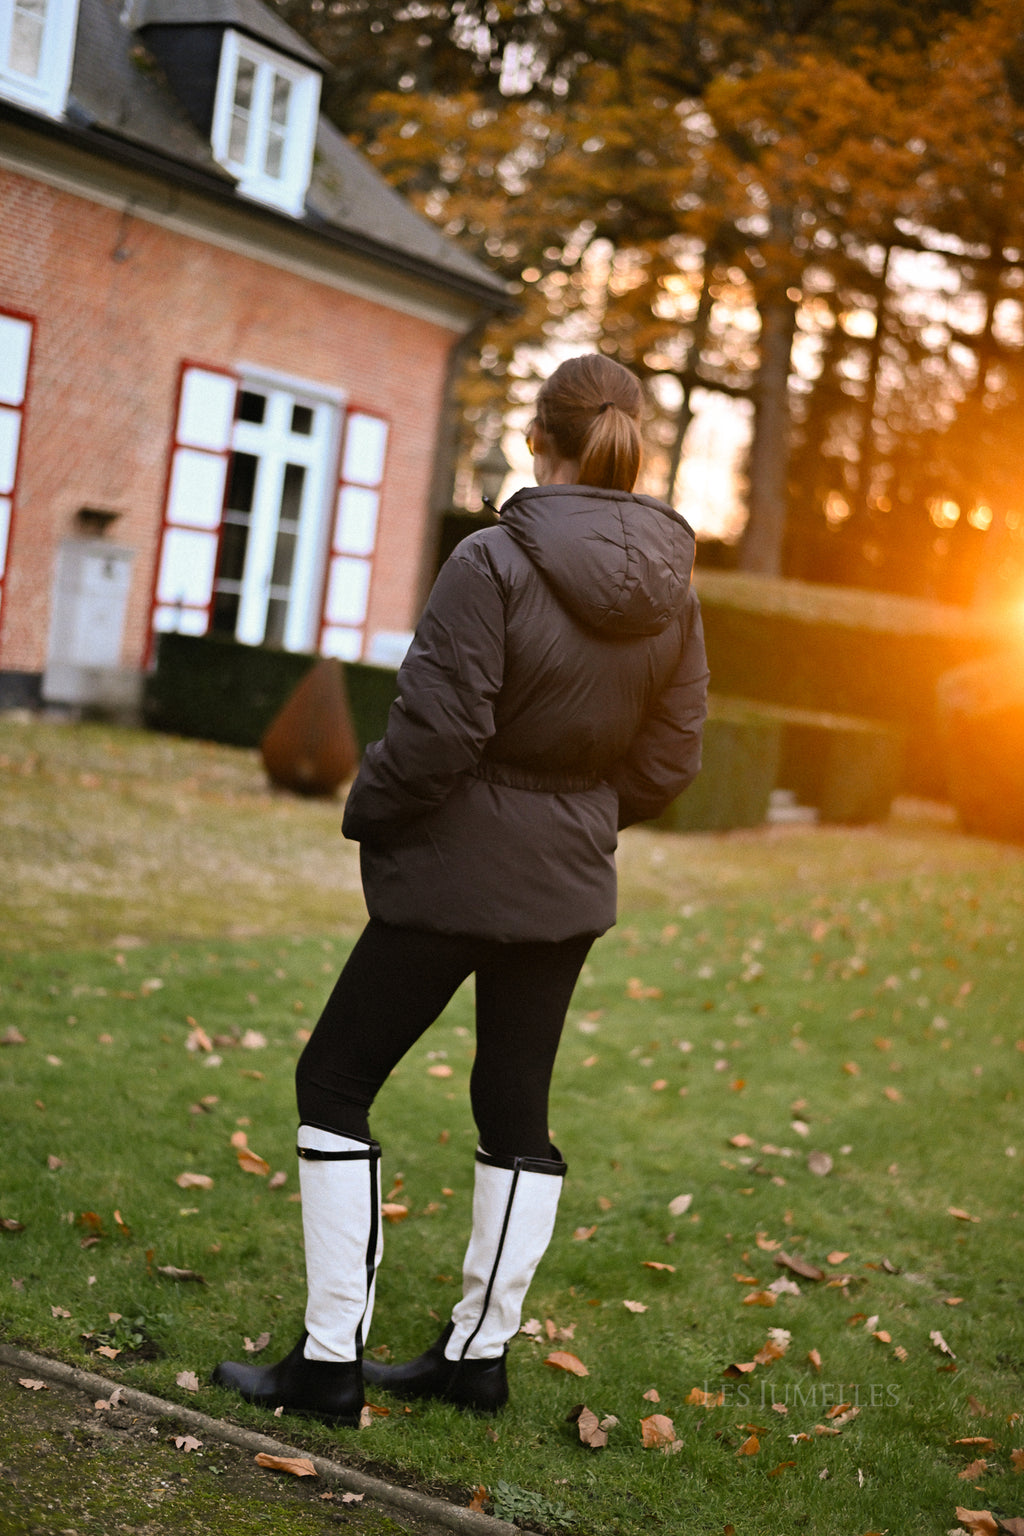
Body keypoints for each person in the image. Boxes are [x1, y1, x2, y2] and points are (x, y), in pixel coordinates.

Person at [213, 352, 710, 1424]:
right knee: (514, 1106)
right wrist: (573, 819)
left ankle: (330, 1363)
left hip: (452, 866)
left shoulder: (491, 559)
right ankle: (476, 1359)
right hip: (563, 879)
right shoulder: (674, 591)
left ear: (541, 441)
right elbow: (669, 762)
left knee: (335, 1081)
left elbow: (437, 733)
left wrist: (369, 811)